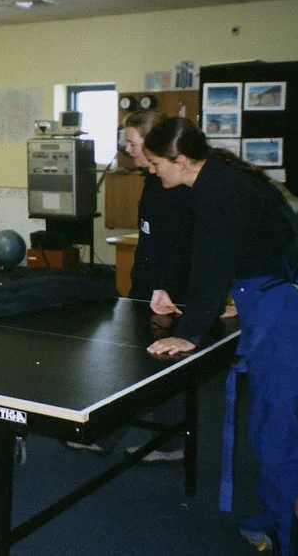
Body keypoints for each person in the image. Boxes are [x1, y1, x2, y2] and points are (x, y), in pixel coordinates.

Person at [142, 117, 298, 555]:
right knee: (296, 426)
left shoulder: (217, 192)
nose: (152, 170)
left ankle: (294, 536)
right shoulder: (227, 179)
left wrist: (190, 334)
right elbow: (273, 246)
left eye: (156, 163)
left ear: (180, 160)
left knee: (278, 435)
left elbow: (211, 265)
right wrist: (245, 299)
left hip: (292, 320)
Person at [119, 109, 195, 463]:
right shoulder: (152, 179)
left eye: (132, 142)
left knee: (164, 365)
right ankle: (110, 435)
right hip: (146, 284)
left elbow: (180, 244)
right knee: (138, 362)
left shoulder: (177, 186)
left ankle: (170, 445)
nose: (127, 149)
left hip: (168, 292)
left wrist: (161, 287)